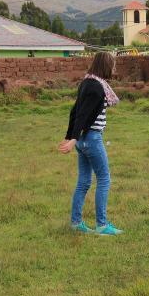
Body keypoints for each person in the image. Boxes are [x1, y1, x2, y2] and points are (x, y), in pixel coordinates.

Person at [59, 52, 123, 236]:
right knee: (104, 179)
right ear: (105, 66)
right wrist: (72, 139)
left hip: (83, 141)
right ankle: (102, 225)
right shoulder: (97, 87)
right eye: (112, 65)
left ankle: (76, 223)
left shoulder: (87, 82)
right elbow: (82, 115)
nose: (114, 69)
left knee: (84, 181)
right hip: (91, 139)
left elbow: (75, 111)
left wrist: (70, 136)